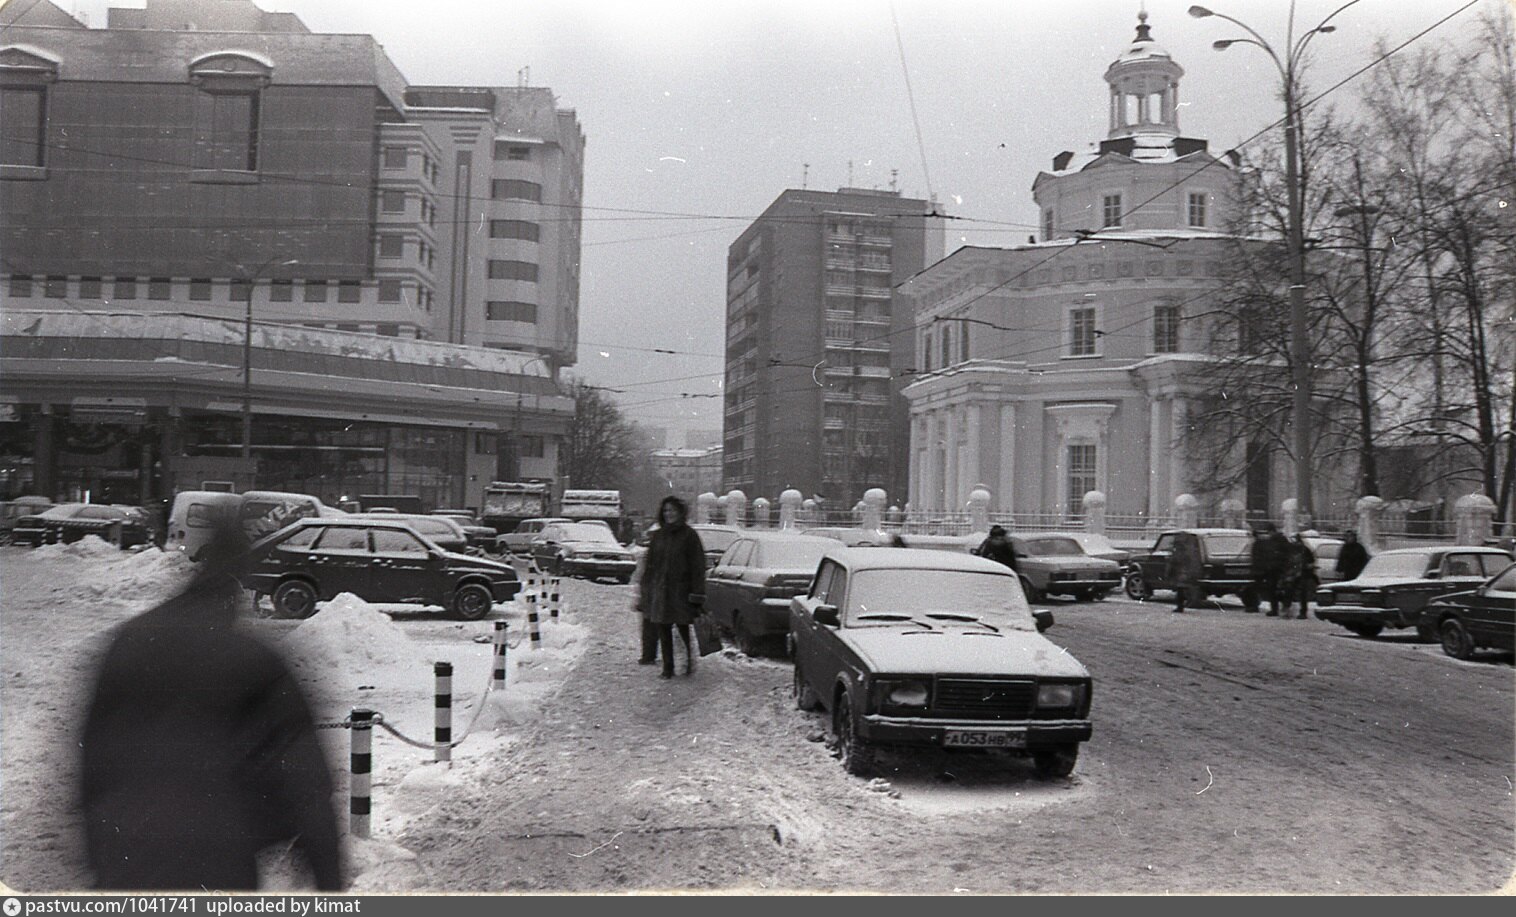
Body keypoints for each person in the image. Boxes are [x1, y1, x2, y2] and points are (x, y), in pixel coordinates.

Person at [79, 520, 342, 892]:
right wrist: (328, 882)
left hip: (128, 856)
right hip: (217, 862)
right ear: (238, 584)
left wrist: (97, 852)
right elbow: (308, 785)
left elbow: (91, 757)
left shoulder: (128, 642)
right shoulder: (256, 660)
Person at [636, 496, 707, 678]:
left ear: (680, 512)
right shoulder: (659, 536)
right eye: (666, 511)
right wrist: (645, 590)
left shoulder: (689, 535)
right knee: (663, 627)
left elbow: (698, 566)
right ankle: (668, 668)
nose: (669, 514)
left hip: (681, 591)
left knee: (682, 627)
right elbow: (650, 564)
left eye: (673, 510)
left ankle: (687, 664)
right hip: (661, 590)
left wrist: (697, 593)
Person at [1250, 522, 1291, 616]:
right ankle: (1278, 608)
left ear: (1271, 531)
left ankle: (1278, 609)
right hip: (1276, 569)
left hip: (1276, 569)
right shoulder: (1277, 540)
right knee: (1274, 589)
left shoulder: (1276, 541)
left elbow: (1281, 555)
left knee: (1274, 589)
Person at [1279, 533, 1318, 620]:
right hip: (1294, 574)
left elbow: (1311, 562)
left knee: (1298, 593)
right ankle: (1289, 610)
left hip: (1301, 574)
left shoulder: (1303, 550)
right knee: (1290, 592)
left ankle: (1297, 611)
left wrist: (1307, 567)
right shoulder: (1293, 550)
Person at [1165, 531, 1204, 613]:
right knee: (1184, 590)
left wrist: (1169, 573)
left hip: (1181, 573)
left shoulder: (1179, 551)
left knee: (1181, 591)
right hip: (1187, 573)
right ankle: (1188, 603)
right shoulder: (1191, 550)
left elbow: (1173, 562)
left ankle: (1181, 606)